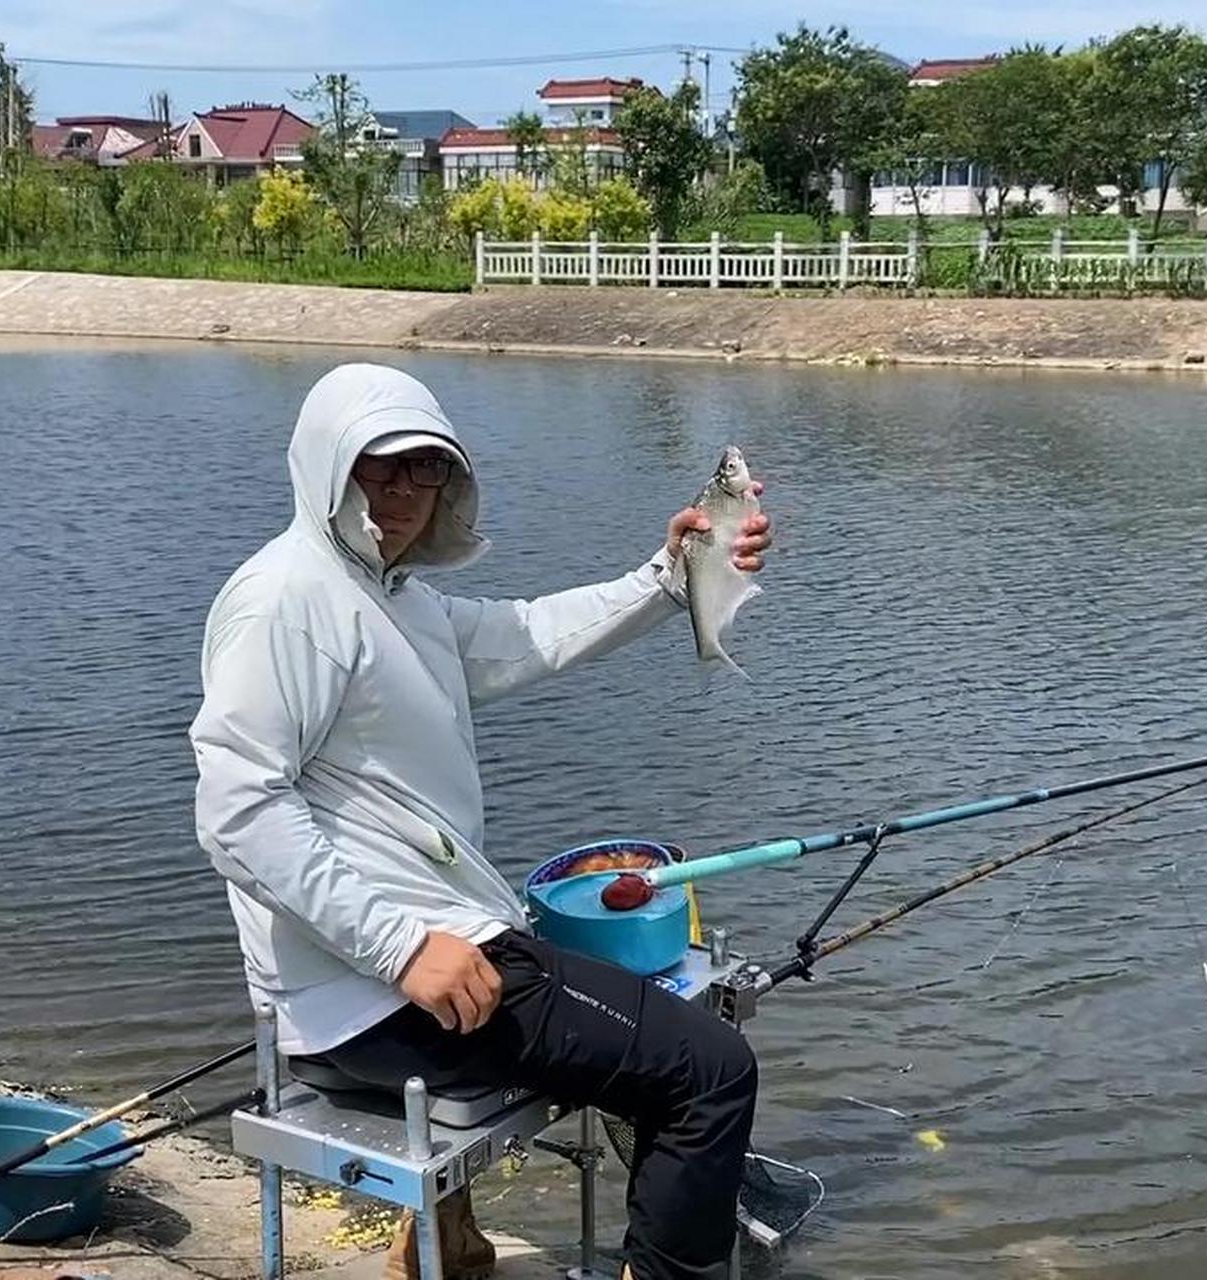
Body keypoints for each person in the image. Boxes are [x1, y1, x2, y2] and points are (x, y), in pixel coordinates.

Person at [189, 363, 774, 1280]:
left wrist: (671, 578)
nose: (403, 493)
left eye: (425, 471)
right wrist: (402, 951)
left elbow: (526, 634)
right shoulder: (286, 601)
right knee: (711, 1070)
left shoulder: (392, 596)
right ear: (326, 469)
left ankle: (445, 1246)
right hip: (377, 997)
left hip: (414, 959)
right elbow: (238, 810)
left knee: (653, 1020)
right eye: (377, 469)